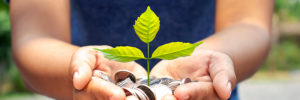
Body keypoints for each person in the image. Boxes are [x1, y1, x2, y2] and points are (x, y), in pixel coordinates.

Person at [10, 0, 273, 100]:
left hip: (202, 89)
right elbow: (34, 37)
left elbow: (250, 23)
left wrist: (210, 60)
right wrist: (79, 70)